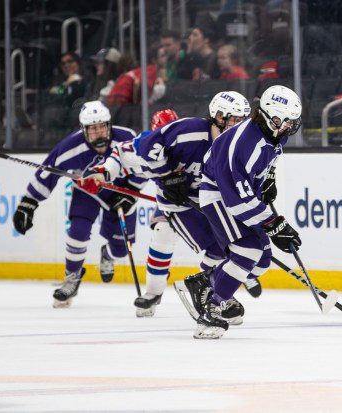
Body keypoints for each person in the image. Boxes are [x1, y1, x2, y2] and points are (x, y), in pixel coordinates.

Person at [80, 92, 256, 317]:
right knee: (166, 234)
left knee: (229, 247)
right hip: (178, 204)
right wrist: (104, 171)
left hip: (210, 202)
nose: (236, 126)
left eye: (241, 121)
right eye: (231, 119)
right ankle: (161, 292)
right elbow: (124, 153)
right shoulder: (183, 136)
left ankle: (210, 291)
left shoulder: (237, 147)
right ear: (217, 116)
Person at [181, 85, 302, 339]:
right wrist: (275, 224)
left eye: (292, 121)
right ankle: (211, 311)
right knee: (247, 249)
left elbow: (269, 159)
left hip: (239, 195)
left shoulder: (275, 131)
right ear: (268, 116)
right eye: (284, 121)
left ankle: (205, 282)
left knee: (262, 260)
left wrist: (268, 178)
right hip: (218, 195)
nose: (288, 127)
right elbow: (236, 199)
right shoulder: (243, 143)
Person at [12, 101, 143, 308]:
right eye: (93, 128)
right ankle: (71, 278)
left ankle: (107, 255)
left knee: (120, 249)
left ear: (109, 125)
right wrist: (28, 203)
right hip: (87, 192)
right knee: (77, 230)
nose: (99, 133)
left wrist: (133, 192)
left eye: (102, 126)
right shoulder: (71, 147)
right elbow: (47, 172)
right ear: (84, 129)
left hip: (121, 193)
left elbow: (145, 165)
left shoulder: (127, 138)